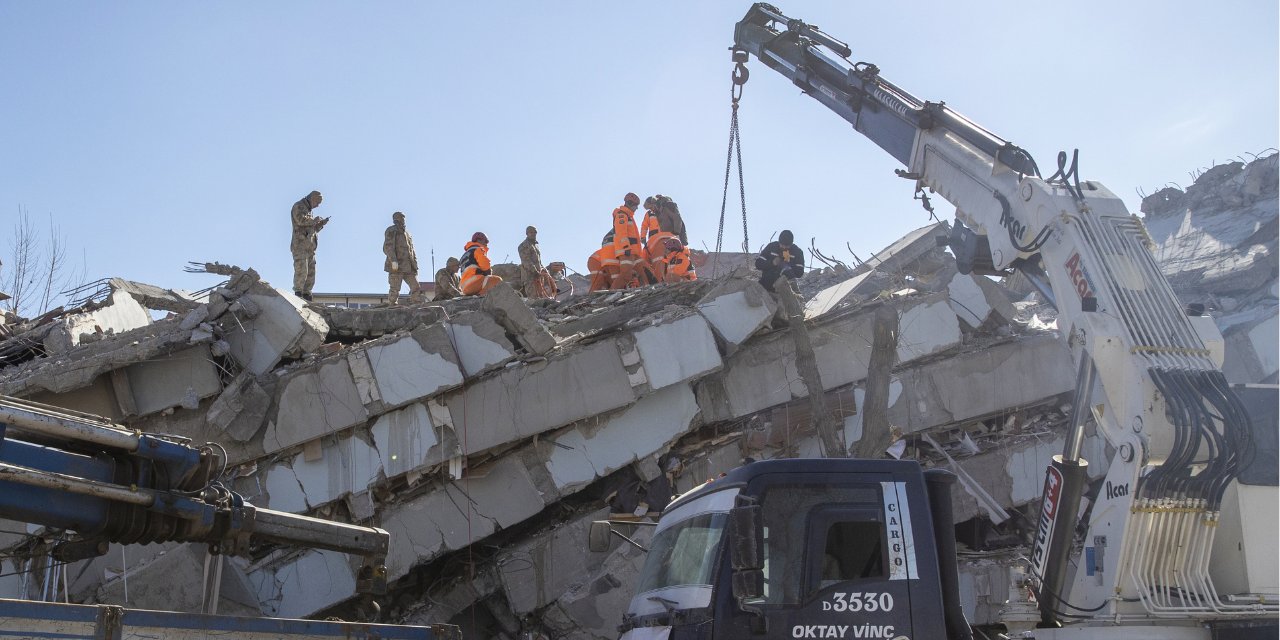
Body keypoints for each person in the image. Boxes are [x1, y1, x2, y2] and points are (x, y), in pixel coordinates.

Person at [290, 190, 329, 300]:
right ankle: (298, 297)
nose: (318, 205)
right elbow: (300, 220)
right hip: (300, 246)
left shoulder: (309, 211)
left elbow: (311, 229)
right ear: (312, 199)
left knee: (311, 274)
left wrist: (320, 224)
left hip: (310, 248)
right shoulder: (298, 206)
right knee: (302, 272)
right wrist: (314, 220)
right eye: (318, 202)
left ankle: (307, 297)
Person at [383, 211, 423, 305]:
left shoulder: (407, 233)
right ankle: (392, 304)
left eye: (403, 218)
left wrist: (415, 264)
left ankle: (416, 303)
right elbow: (388, 246)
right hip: (397, 265)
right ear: (396, 219)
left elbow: (412, 250)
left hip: (409, 266)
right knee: (395, 287)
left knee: (415, 286)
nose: (403, 220)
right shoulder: (391, 230)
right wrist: (393, 260)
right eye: (401, 218)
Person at [611, 193, 644, 289]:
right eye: (636, 205)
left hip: (632, 251)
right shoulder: (622, 215)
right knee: (626, 275)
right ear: (629, 203)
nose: (637, 208)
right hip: (626, 250)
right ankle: (611, 292)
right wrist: (626, 246)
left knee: (638, 273)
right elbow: (621, 232)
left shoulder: (628, 216)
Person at [459, 232, 503, 296]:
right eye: (485, 241)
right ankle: (482, 297)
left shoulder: (464, 255)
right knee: (497, 280)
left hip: (464, 288)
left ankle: (477, 295)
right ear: (478, 240)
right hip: (474, 283)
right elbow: (486, 267)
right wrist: (487, 273)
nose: (486, 243)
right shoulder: (478, 249)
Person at [517, 225, 554, 298]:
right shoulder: (523, 245)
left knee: (542, 297)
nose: (533, 234)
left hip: (539, 276)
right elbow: (526, 261)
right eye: (531, 232)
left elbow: (538, 261)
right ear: (527, 234)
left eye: (534, 232)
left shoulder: (535, 245)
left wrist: (543, 270)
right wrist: (535, 272)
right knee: (534, 298)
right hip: (530, 277)